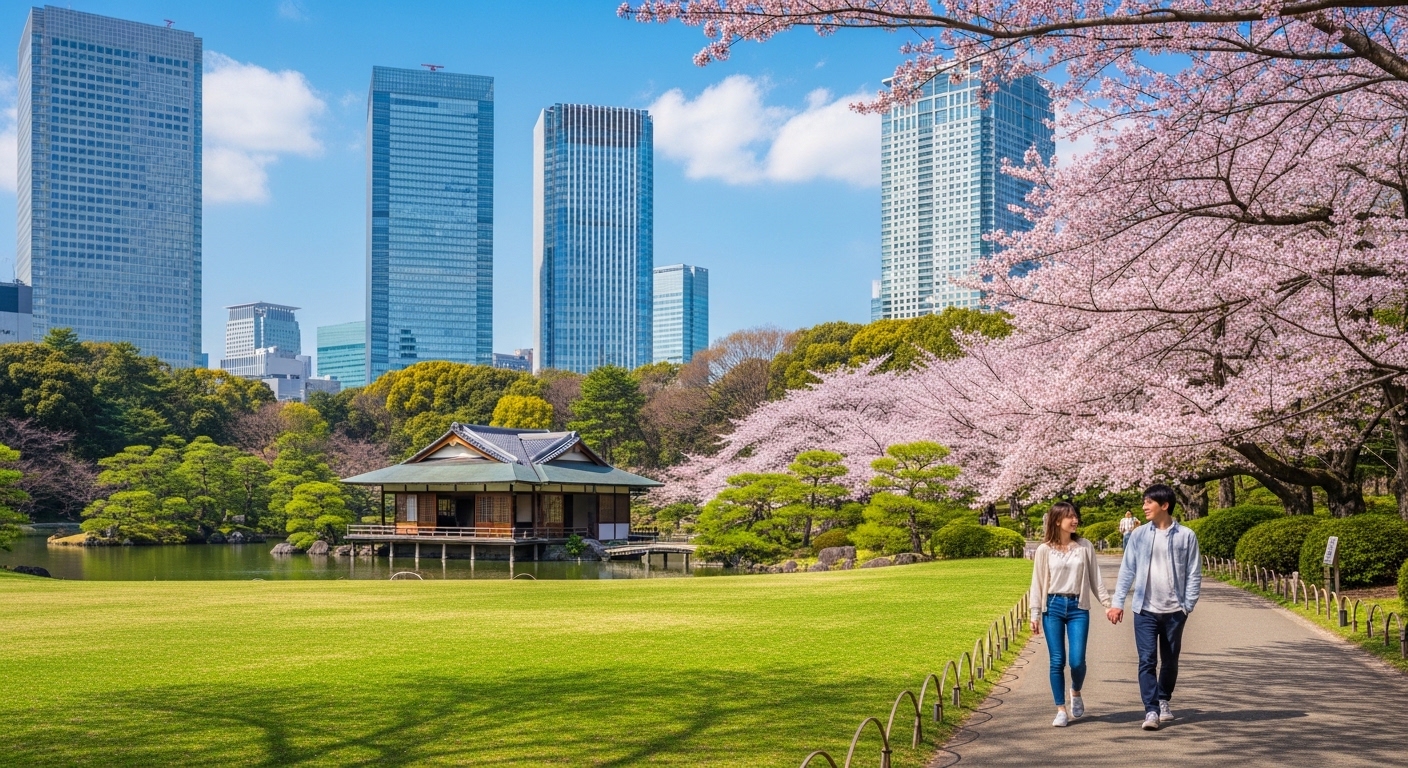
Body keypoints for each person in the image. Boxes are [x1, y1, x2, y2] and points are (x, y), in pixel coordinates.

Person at [1108, 484, 1203, 731]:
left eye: (1149, 502)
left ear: (1164, 505)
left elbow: (1194, 572)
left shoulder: (1186, 536)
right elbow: (1127, 570)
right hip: (1145, 610)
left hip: (1175, 611)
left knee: (1170, 661)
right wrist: (1117, 603)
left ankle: (1163, 699)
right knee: (1147, 660)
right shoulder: (1139, 535)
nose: (1143, 507)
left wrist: (1188, 605)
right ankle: (1151, 710)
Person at [1028, 501, 1112, 727]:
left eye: (1076, 516)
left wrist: (1107, 604)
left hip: (1078, 607)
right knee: (1057, 660)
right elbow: (1036, 583)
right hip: (1052, 606)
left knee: (1077, 661)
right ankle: (1061, 710)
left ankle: (1075, 691)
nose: (1075, 520)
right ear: (1057, 520)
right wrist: (1034, 614)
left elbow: (1096, 579)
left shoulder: (1085, 546)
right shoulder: (1044, 550)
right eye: (1070, 517)